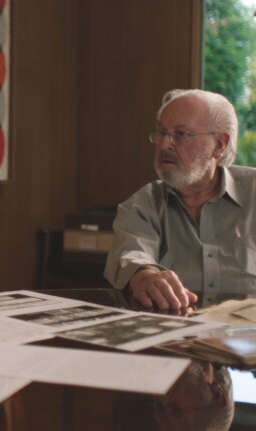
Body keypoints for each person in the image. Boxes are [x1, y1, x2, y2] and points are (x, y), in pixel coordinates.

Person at [104, 89, 256, 310]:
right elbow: (130, 254)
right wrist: (144, 276)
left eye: (181, 134)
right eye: (161, 133)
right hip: (176, 339)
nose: (165, 144)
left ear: (220, 144)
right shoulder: (143, 204)